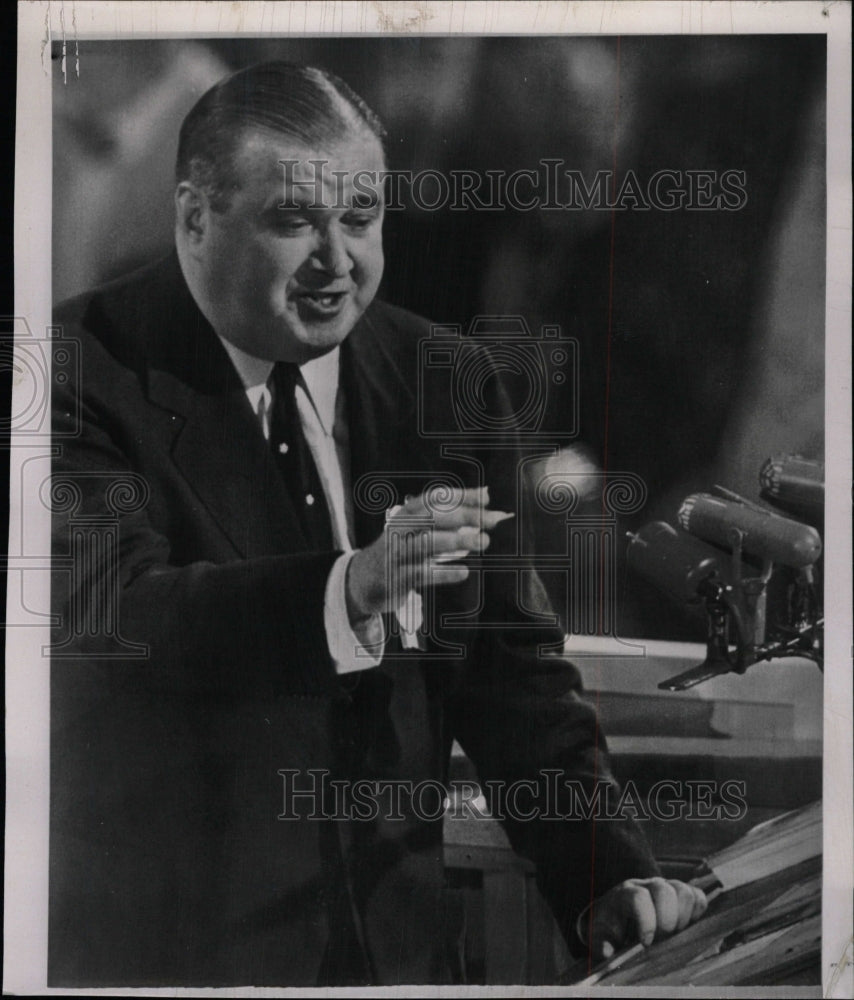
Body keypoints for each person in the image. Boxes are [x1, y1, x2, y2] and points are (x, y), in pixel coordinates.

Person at [49, 61, 706, 987]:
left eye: (360, 218)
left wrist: (605, 876)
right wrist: (354, 585)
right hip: (162, 964)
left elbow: (513, 676)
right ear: (194, 217)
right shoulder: (71, 372)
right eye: (293, 221)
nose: (338, 261)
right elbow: (111, 617)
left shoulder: (450, 377)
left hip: (400, 963)